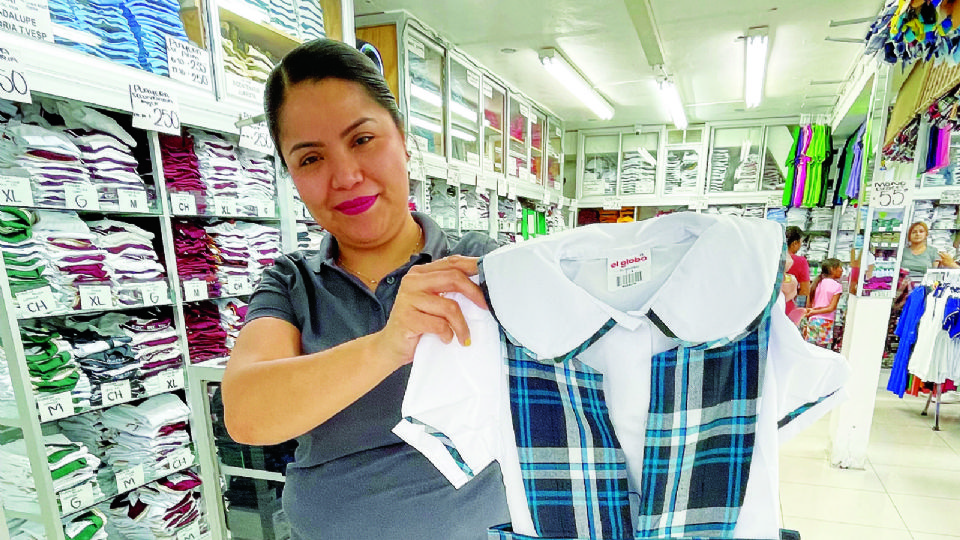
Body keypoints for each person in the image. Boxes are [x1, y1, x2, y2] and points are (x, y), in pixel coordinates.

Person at [221, 39, 509, 539]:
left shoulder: (479, 262)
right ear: (291, 175)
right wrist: (387, 344)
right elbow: (247, 416)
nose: (346, 176)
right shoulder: (292, 283)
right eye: (311, 159)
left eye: (362, 140)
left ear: (402, 138)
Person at [802, 258, 844, 348]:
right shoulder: (837, 286)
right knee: (821, 351)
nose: (842, 270)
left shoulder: (816, 283)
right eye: (840, 267)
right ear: (832, 269)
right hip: (826, 322)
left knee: (809, 349)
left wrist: (812, 313)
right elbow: (831, 308)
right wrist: (814, 312)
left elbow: (808, 305)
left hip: (812, 320)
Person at [785, 226, 810, 312]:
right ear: (795, 243)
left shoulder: (772, 257)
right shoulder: (800, 261)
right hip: (787, 306)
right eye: (801, 243)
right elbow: (805, 290)